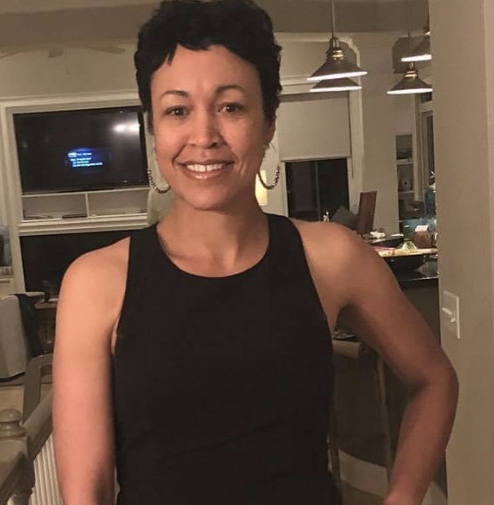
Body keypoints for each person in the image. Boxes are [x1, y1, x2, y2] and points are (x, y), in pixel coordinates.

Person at [52, 1, 458, 504]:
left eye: (231, 107)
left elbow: (434, 379)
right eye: (177, 110)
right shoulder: (96, 282)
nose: (204, 136)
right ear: (153, 129)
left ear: (268, 122)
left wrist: (403, 497)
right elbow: (85, 491)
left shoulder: (331, 256)